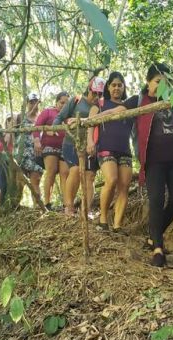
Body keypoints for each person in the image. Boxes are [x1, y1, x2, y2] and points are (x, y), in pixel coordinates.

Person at [91, 63, 173, 266]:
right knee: (155, 200)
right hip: (154, 159)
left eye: (167, 82)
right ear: (148, 82)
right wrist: (88, 119)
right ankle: (157, 248)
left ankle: (153, 236)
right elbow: (116, 111)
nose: (163, 86)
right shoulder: (139, 100)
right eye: (158, 82)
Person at [87, 72, 133, 233]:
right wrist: (90, 142)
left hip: (125, 150)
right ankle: (103, 219)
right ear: (108, 87)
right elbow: (90, 124)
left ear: (124, 87)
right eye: (113, 85)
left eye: (120, 85)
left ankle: (118, 225)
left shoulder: (129, 107)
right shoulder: (99, 105)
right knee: (111, 179)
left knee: (124, 186)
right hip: (106, 147)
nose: (116, 88)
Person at [53, 77, 106, 216]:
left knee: (90, 175)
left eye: (100, 94)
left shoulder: (101, 106)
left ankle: (85, 210)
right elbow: (60, 117)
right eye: (94, 93)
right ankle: (69, 207)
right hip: (71, 142)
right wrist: (58, 128)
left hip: (90, 145)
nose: (96, 97)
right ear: (89, 90)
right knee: (75, 170)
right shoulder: (76, 100)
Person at [34, 92, 70, 210]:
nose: (64, 105)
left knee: (65, 173)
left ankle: (66, 204)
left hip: (65, 147)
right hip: (49, 146)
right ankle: (47, 203)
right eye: (62, 102)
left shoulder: (69, 115)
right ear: (56, 102)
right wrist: (37, 141)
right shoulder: (48, 112)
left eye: (66, 103)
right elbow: (37, 125)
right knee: (52, 171)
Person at [14, 93, 43, 205]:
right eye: (31, 102)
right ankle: (15, 207)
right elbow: (13, 132)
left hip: (36, 154)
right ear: (27, 103)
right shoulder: (20, 117)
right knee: (20, 182)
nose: (34, 104)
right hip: (22, 154)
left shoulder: (41, 117)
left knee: (35, 180)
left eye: (36, 102)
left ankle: (38, 208)